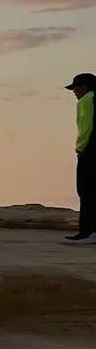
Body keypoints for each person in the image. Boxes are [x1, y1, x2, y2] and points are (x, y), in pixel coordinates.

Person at [68, 73, 96, 244]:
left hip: (90, 152)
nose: (74, 92)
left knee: (86, 191)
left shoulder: (87, 100)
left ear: (85, 87)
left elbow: (86, 127)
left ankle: (87, 232)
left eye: (76, 88)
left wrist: (81, 149)